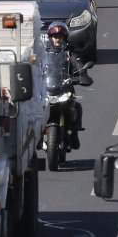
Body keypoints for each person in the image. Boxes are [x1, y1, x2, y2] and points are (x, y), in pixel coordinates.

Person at [44, 22, 91, 150]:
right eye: (55, 36)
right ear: (50, 37)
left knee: (76, 107)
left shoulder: (70, 52)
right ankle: (37, 135)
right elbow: (36, 66)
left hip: (65, 87)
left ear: (65, 37)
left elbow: (77, 62)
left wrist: (82, 73)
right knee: (36, 113)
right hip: (48, 89)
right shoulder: (43, 52)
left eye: (60, 36)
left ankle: (74, 134)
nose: (58, 39)